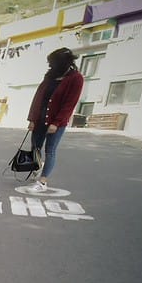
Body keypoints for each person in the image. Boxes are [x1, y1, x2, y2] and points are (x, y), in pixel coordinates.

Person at [26, 47, 84, 192]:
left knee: (50, 150)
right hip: (39, 119)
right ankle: (38, 166)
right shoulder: (50, 76)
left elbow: (70, 103)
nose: (51, 66)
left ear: (62, 63)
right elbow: (38, 97)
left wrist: (56, 122)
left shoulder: (76, 78)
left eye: (53, 63)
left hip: (56, 123)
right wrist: (32, 118)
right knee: (35, 148)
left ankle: (43, 182)